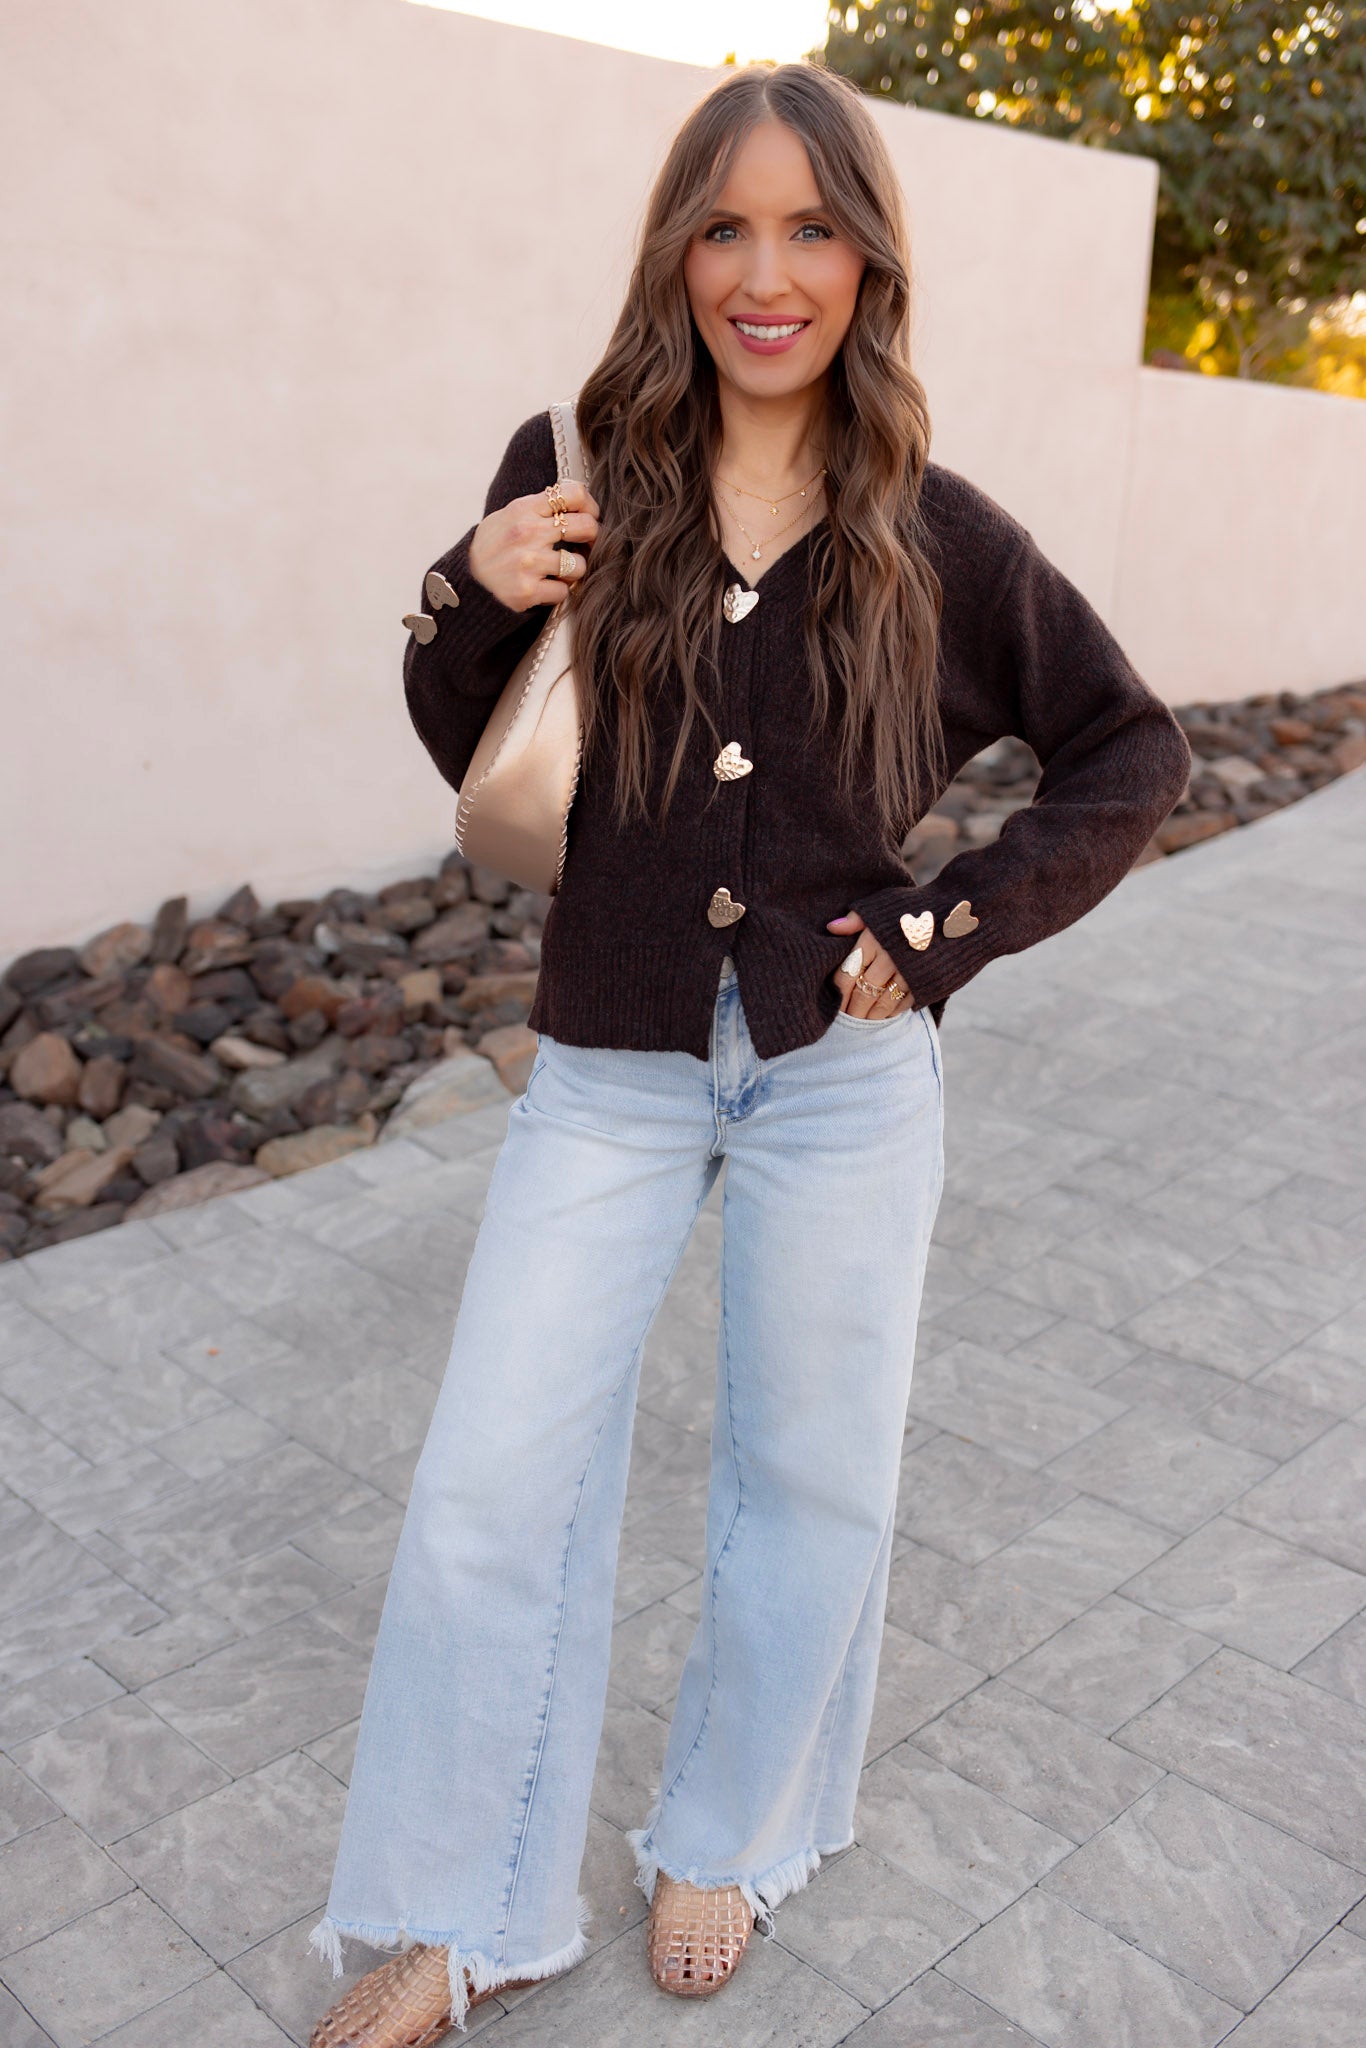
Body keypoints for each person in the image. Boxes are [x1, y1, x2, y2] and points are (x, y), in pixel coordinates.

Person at [307, 57, 1191, 2048]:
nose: (764, 274)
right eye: (725, 227)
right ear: (675, 253)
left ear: (865, 261)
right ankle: (460, 1909)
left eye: (808, 228)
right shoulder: (582, 466)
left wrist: (942, 931)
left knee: (810, 1474)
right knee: (487, 1486)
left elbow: (1128, 749)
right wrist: (462, 591)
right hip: (608, 1066)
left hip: (837, 1084)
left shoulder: (937, 534)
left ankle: (731, 1828)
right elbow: (478, 747)